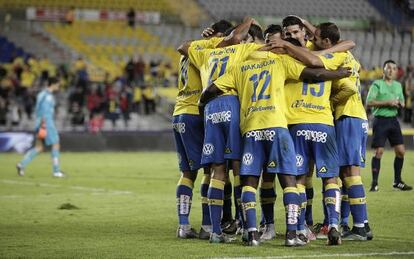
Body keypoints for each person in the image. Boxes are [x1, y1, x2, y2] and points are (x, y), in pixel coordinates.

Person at [200, 42, 351, 246]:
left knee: (250, 181)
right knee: (289, 179)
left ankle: (252, 233)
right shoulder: (279, 62)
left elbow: (211, 89)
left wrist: (202, 104)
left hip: (252, 129)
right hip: (277, 127)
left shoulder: (239, 67)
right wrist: (339, 73)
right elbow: (315, 75)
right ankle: (291, 235)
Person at [173, 20, 233, 240]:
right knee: (211, 170)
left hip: (178, 112)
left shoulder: (193, 49)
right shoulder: (209, 51)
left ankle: (183, 226)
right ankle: (208, 225)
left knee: (187, 173)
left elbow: (183, 46)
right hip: (196, 113)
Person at [366, 60, 412, 191]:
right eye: (388, 68)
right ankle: (374, 183)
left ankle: (397, 181)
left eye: (394, 68)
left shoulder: (398, 85)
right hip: (380, 120)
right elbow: (369, 102)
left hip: (393, 121)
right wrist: (387, 102)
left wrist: (401, 104)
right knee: (379, 151)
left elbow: (401, 100)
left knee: (401, 151)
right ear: (383, 70)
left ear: (397, 71)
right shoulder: (377, 84)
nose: (391, 70)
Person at [16, 77, 65, 178]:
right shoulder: (47, 96)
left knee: (39, 147)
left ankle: (21, 164)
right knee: (56, 144)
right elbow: (45, 112)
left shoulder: (42, 95)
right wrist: (45, 124)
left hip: (40, 123)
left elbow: (38, 109)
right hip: (45, 123)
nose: (59, 87)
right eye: (58, 84)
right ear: (53, 84)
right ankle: (56, 171)